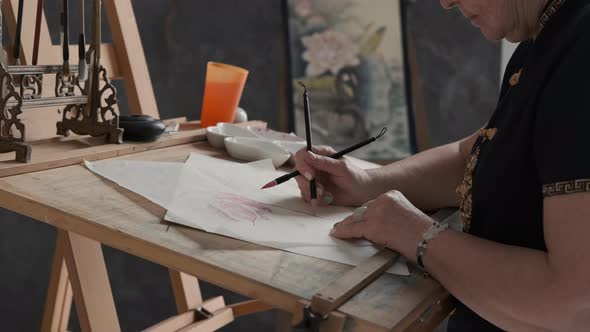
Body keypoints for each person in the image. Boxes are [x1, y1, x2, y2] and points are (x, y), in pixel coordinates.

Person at [293, 0, 590, 331]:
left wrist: (416, 234)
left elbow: (575, 302)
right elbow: (478, 155)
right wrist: (365, 183)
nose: (446, 3)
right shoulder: (547, 34)